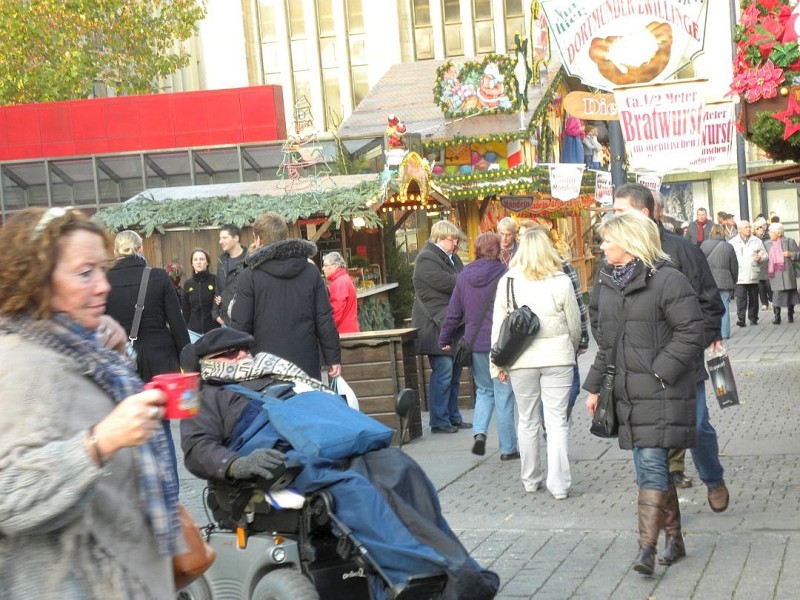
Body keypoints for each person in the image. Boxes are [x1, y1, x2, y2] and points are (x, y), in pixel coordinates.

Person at [179, 328, 501, 600]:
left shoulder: (282, 374)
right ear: (210, 364)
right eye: (230, 354)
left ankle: (460, 574)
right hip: (278, 457)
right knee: (351, 490)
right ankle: (413, 575)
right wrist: (235, 463)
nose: (242, 357)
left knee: (400, 468)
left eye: (244, 350)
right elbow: (195, 448)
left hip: (329, 443)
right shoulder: (202, 394)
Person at [0, 207, 180, 598]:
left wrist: (114, 355)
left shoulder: (79, 349)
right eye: (85, 273)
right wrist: (99, 443)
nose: (103, 286)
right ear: (37, 281)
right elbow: (8, 493)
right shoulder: (23, 362)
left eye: (101, 269)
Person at [584, 210, 704, 575]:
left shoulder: (669, 280)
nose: (602, 246)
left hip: (661, 392)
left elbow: (691, 331)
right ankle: (676, 540)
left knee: (651, 466)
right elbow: (606, 343)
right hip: (626, 393)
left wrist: (660, 372)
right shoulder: (606, 283)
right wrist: (592, 387)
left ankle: (646, 551)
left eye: (607, 240)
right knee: (649, 470)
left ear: (630, 241)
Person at [613, 184, 729, 515]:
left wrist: (691, 344)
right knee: (648, 442)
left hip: (681, 363)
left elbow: (710, 305)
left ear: (644, 212)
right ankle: (662, 518)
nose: (614, 219)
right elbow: (605, 314)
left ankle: (713, 478)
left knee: (697, 427)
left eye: (620, 212)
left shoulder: (682, 251)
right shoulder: (617, 255)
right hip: (638, 368)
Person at [490, 228, 581, 499]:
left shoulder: (508, 282)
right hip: (558, 358)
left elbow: (498, 328)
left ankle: (530, 479)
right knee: (556, 422)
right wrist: (571, 350)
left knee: (527, 419)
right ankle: (560, 484)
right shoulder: (561, 280)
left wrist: (497, 365)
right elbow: (574, 323)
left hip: (521, 360)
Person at [230, 211, 341, 379]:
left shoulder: (249, 276)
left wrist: (235, 358)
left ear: (259, 240)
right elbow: (324, 318)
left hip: (266, 369)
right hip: (306, 365)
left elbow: (241, 325)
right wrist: (333, 358)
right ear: (285, 237)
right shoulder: (311, 272)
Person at [438, 233, 519, 460]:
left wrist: (444, 339)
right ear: (497, 250)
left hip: (475, 345)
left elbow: (453, 313)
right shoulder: (505, 275)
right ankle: (507, 449)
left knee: (484, 391)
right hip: (502, 345)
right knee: (503, 394)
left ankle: (480, 433)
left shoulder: (464, 276)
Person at [519, 220, 590, 423]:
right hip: (531, 340)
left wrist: (581, 338)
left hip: (562, 337)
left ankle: (553, 418)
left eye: (525, 236)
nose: (522, 241)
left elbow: (576, 303)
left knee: (573, 387)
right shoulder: (517, 269)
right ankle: (552, 420)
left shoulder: (560, 264)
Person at [106, 230, 190, 382]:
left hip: (121, 362)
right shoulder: (159, 277)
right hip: (161, 358)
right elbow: (177, 323)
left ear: (114, 252)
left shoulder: (104, 281)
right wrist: (188, 359)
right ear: (141, 249)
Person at [411, 220, 471, 434]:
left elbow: (460, 279)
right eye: (451, 239)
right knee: (443, 372)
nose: (455, 243)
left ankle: (453, 416)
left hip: (449, 323)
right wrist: (463, 279)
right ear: (439, 237)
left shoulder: (451, 257)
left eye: (456, 239)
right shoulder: (426, 258)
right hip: (434, 326)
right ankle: (438, 420)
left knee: (454, 373)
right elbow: (449, 283)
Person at [700, 225, 739, 340]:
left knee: (709, 307)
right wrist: (734, 280)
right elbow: (734, 266)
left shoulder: (704, 245)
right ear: (723, 233)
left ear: (711, 232)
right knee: (725, 307)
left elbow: (700, 263)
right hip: (725, 281)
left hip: (708, 281)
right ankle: (724, 333)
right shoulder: (728, 247)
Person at [728, 220, 767, 327]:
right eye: (746, 227)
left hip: (753, 272)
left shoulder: (757, 241)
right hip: (739, 274)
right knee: (741, 298)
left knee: (754, 297)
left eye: (749, 227)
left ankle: (753, 318)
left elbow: (765, 255)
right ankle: (741, 319)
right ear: (740, 229)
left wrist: (761, 257)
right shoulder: (733, 242)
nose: (749, 229)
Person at [764, 222, 800, 324]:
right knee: (776, 294)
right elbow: (764, 256)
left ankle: (790, 314)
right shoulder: (767, 243)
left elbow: (798, 254)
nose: (769, 234)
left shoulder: (789, 241)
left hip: (787, 272)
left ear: (779, 233)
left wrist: (790, 254)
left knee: (791, 294)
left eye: (772, 232)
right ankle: (777, 316)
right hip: (774, 273)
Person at [182, 247, 221, 339]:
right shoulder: (188, 284)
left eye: (202, 259)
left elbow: (223, 301)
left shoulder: (215, 280)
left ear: (207, 262)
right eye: (195, 260)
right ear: (192, 263)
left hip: (214, 331)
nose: (198, 262)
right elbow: (185, 310)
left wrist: (221, 300)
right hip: (193, 332)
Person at [215, 223, 248, 326]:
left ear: (236, 238)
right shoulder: (222, 261)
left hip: (245, 320)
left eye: (224, 238)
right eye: (220, 238)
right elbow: (218, 290)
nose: (220, 241)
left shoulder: (249, 258)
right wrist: (216, 315)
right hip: (225, 321)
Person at [322, 251, 360, 334]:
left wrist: (325, 331)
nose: (323, 268)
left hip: (343, 333)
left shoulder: (339, 283)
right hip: (349, 330)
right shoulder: (343, 279)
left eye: (325, 265)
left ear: (335, 266)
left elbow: (336, 312)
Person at [753, 217, 772, 310]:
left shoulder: (768, 237)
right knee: (760, 285)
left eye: (761, 227)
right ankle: (764, 303)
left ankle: (772, 300)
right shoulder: (753, 239)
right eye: (757, 228)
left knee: (769, 284)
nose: (760, 229)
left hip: (768, 263)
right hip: (758, 264)